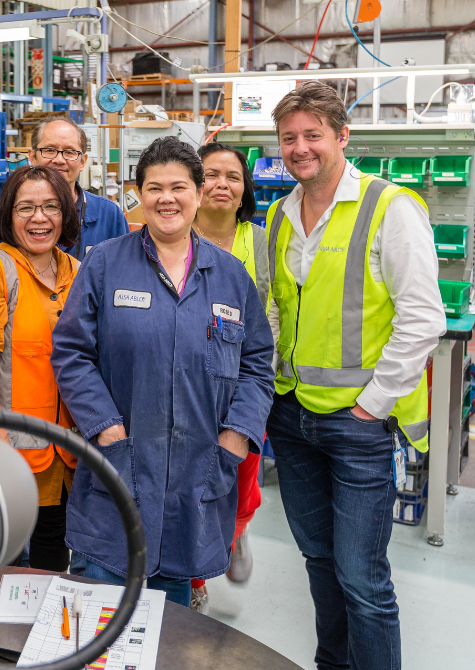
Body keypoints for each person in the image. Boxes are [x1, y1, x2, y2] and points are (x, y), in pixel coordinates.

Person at [265, 82, 444, 670]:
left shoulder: (391, 207)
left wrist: (371, 405)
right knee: (318, 562)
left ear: (343, 137)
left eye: (312, 135)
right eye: (289, 138)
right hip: (292, 420)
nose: (300, 147)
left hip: (357, 427)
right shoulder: (279, 214)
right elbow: (279, 310)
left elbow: (423, 319)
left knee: (363, 579)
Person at [50, 137, 275, 607]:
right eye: (154, 188)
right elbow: (71, 352)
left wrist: (236, 437)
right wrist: (106, 429)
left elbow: (257, 365)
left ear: (197, 192)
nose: (166, 198)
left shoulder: (232, 276)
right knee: (101, 617)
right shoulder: (105, 264)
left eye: (179, 187)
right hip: (119, 467)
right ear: (139, 194)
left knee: (167, 627)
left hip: (196, 478)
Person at [0, 165, 81, 572]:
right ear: (7, 215)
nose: (39, 218)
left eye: (50, 207)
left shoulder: (76, 272)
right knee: (1, 563)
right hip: (7, 454)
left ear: (66, 213)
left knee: (51, 557)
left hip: (65, 454)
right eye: (26, 208)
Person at [188, 142, 268, 613]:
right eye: (210, 174)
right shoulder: (171, 232)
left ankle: (235, 532)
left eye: (232, 177)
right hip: (188, 388)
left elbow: (273, 312)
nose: (221, 184)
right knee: (190, 489)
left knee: (242, 485)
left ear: (244, 189)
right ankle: (195, 580)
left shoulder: (261, 241)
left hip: (244, 390)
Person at [0, 117, 128, 260]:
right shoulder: (2, 213)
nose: (59, 160)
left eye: (69, 152)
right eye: (50, 150)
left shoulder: (109, 215)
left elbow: (123, 272)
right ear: (32, 156)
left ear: (83, 162)